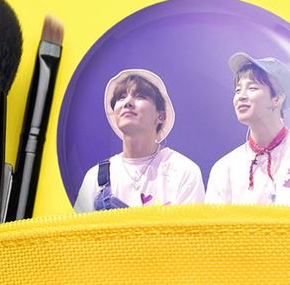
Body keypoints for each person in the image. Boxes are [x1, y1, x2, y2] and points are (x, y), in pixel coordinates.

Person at [205, 53, 290, 209]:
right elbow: (213, 223)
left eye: (252, 88)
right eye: (238, 90)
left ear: (277, 99)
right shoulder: (224, 167)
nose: (241, 96)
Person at [74, 69, 205, 212]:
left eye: (139, 96)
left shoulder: (184, 171)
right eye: (121, 97)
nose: (127, 102)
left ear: (161, 116)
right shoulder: (95, 176)